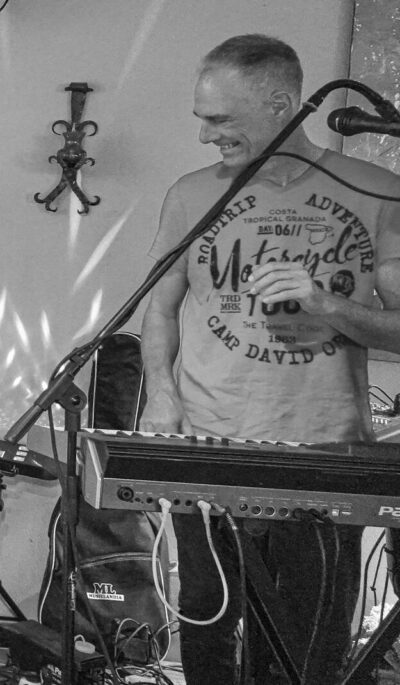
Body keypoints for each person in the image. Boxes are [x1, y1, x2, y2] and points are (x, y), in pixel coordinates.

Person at [140, 34, 400, 685]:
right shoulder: (192, 194)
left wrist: (326, 304)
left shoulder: (378, 193)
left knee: (306, 640)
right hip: (208, 442)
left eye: (220, 119)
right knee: (206, 620)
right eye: (202, 117)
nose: (205, 135)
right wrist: (161, 395)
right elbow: (159, 309)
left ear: (282, 105)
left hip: (324, 448)